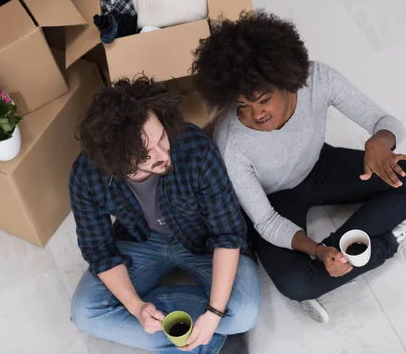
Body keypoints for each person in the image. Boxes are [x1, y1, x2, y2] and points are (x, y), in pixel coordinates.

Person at [191, 10, 406, 323]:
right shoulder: (231, 142)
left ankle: (328, 270)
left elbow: (384, 121)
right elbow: (265, 222)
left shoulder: (317, 79)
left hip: (319, 164)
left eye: (263, 99)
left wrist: (380, 143)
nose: (256, 114)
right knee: (295, 284)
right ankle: (391, 241)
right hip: (276, 201)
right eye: (243, 107)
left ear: (283, 78)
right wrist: (318, 251)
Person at [68, 77, 261, 353]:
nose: (163, 153)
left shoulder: (194, 147)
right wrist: (136, 307)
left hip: (203, 242)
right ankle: (213, 336)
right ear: (121, 162)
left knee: (244, 312)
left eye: (161, 137)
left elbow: (227, 234)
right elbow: (99, 250)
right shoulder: (87, 175)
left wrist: (215, 312)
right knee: (85, 311)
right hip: (140, 242)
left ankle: (201, 327)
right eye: (146, 156)